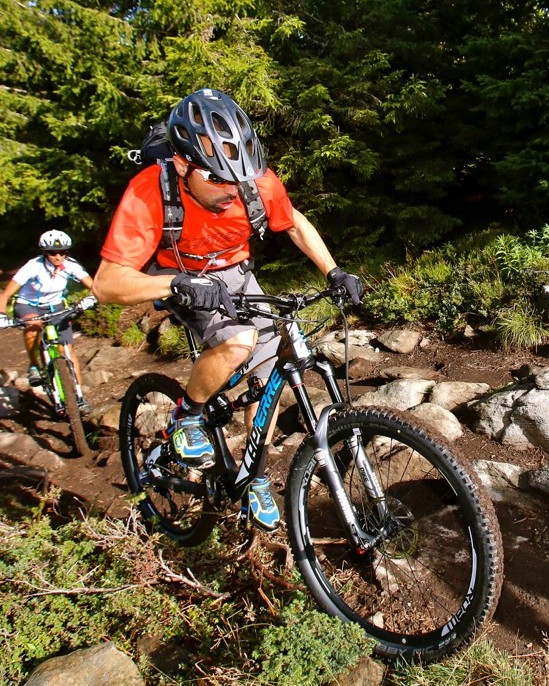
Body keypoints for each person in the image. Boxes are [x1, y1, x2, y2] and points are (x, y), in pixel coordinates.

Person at [92, 88, 364, 532]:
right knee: (238, 340)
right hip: (180, 272)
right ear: (183, 165)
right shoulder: (149, 192)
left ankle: (252, 475)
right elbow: (107, 283)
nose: (231, 191)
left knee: (273, 370)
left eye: (237, 180)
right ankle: (188, 415)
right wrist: (176, 284)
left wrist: (333, 271)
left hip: (237, 273)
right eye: (216, 179)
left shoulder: (254, 180)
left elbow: (292, 221)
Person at [0, 230, 95, 413]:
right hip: (29, 305)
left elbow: (93, 286)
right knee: (33, 326)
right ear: (45, 253)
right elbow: (6, 294)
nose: (58, 256)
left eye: (63, 252)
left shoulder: (71, 265)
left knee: (67, 349)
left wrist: (90, 299)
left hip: (56, 306)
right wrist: (2, 314)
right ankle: (35, 365)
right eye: (52, 253)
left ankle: (79, 396)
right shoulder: (33, 266)